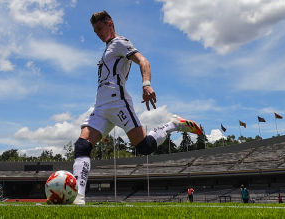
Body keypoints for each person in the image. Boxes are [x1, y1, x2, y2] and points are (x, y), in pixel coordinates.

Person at [70, 11, 203, 206]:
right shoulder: (108, 49)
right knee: (82, 146)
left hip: (118, 102)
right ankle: (78, 197)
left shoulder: (120, 42)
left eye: (99, 28)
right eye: (95, 30)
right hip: (100, 107)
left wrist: (146, 84)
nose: (97, 33)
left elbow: (143, 61)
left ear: (110, 24)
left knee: (145, 147)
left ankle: (173, 124)